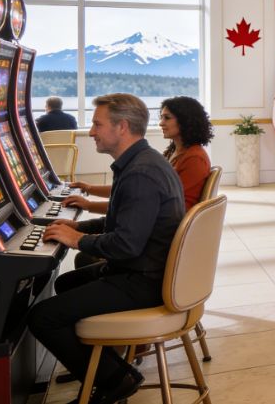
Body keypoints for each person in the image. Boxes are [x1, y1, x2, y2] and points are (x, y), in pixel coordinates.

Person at [28, 94, 185, 404]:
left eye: (97, 125)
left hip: (145, 279)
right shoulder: (142, 160)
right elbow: (124, 221)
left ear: (122, 127)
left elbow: (126, 244)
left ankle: (116, 380)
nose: (91, 132)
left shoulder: (140, 173)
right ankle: (96, 364)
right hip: (149, 268)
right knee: (65, 283)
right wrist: (78, 227)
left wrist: (77, 241)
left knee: (42, 317)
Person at [65, 96, 213, 213]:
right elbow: (127, 191)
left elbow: (170, 208)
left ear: (186, 121)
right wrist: (89, 189)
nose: (161, 123)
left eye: (167, 118)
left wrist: (89, 205)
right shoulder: (174, 152)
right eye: (161, 117)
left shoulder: (195, 158)